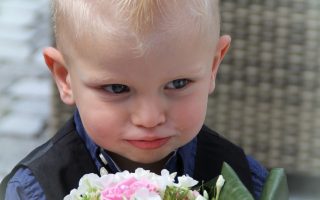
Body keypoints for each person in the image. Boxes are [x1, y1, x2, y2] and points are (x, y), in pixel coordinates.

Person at [0, 0, 268, 199]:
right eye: (117, 88)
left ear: (212, 67)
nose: (150, 118)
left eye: (178, 83)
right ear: (65, 77)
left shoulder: (246, 181)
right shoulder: (34, 191)